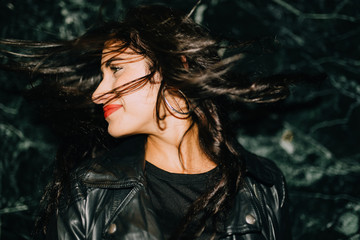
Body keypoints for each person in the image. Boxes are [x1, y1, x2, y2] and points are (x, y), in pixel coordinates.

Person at [1, 4, 292, 240]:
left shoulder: (262, 185)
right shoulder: (89, 191)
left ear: (177, 65)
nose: (99, 93)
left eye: (115, 69)